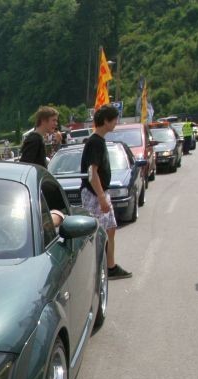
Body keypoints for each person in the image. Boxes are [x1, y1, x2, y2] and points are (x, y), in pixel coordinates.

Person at [81, 105, 132, 280]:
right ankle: (95, 271)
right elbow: (92, 172)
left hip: (101, 192)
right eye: (114, 119)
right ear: (106, 121)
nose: (116, 122)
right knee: (97, 234)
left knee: (110, 228)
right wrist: (101, 197)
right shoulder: (95, 142)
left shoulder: (99, 141)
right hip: (94, 194)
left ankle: (110, 266)